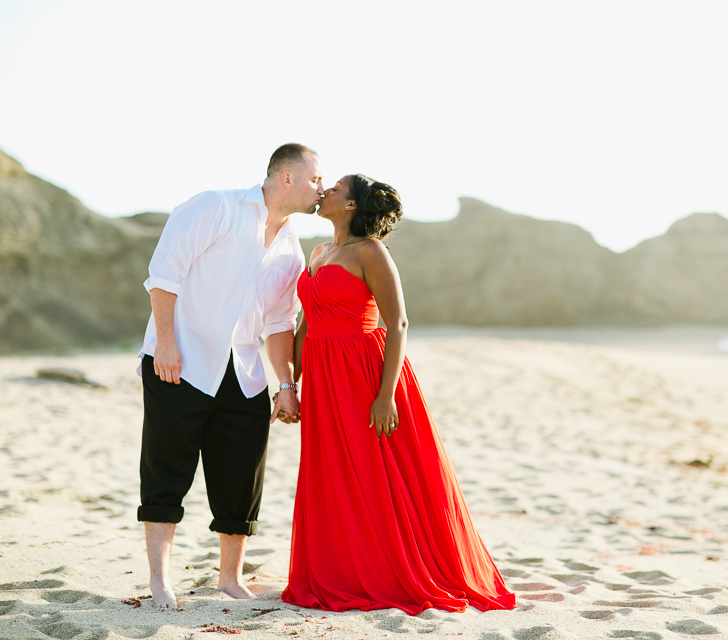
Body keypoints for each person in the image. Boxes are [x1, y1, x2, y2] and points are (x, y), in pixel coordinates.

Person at [281, 174, 516, 614]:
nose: (325, 191)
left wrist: (386, 395)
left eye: (334, 188)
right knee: (334, 472)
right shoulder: (318, 251)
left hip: (365, 373)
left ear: (351, 205)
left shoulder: (370, 252)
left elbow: (399, 324)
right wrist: (290, 385)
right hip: (324, 375)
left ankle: (391, 568)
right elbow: (304, 325)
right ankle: (346, 567)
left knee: (377, 474)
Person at [137, 143, 322, 609]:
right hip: (179, 363)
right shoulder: (214, 206)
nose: (321, 188)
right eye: (315, 179)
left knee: (241, 475)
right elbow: (164, 275)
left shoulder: (291, 248)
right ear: (286, 178)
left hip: (244, 374)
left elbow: (280, 323)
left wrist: (285, 384)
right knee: (166, 467)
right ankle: (160, 579)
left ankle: (229, 577)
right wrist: (165, 343)